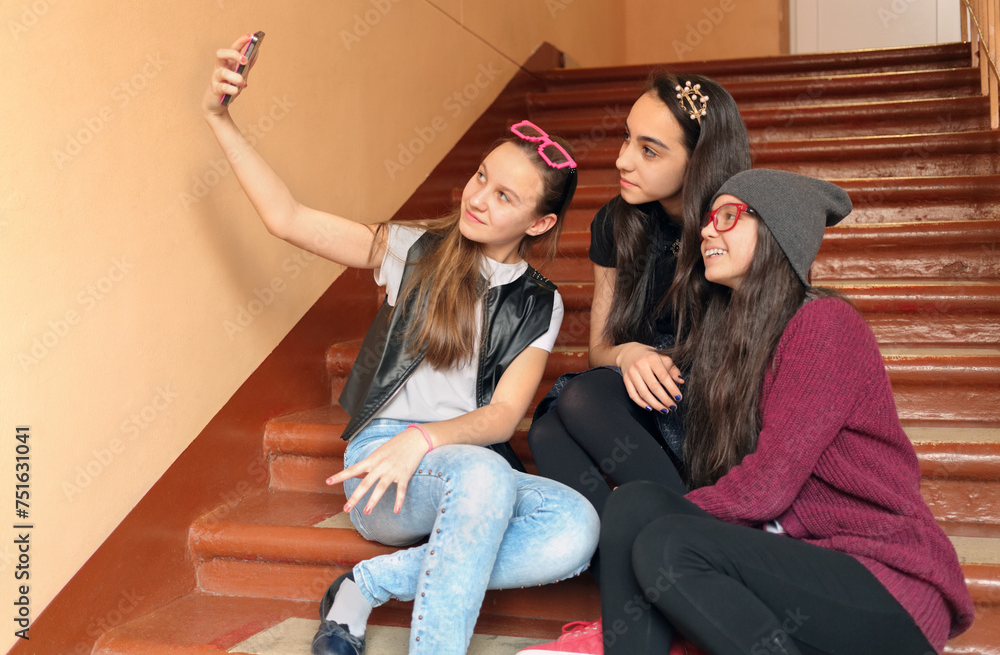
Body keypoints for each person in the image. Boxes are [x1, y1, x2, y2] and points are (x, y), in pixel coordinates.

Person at [203, 34, 600, 655]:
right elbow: (287, 218)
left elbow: (501, 416)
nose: (476, 197)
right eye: (480, 176)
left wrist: (426, 439)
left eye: (505, 197)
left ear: (540, 223)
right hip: (384, 469)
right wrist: (219, 117)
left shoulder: (538, 301)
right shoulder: (411, 251)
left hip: (454, 459)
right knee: (485, 474)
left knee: (575, 526)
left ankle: (363, 588)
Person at [519, 169, 975, 655]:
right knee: (635, 504)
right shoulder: (731, 344)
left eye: (728, 216)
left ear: (777, 232)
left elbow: (768, 487)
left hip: (884, 584)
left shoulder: (825, 324)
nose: (707, 230)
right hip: (796, 567)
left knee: (665, 538)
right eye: (708, 219)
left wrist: (656, 528)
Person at [527, 73, 751, 511]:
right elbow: (599, 350)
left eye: (649, 150)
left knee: (582, 399)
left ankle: (695, 533)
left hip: (713, 402)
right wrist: (628, 354)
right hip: (641, 391)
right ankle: (645, 551)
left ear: (699, 161)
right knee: (547, 429)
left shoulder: (734, 225)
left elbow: (752, 352)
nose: (623, 161)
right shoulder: (617, 222)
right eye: (626, 138)